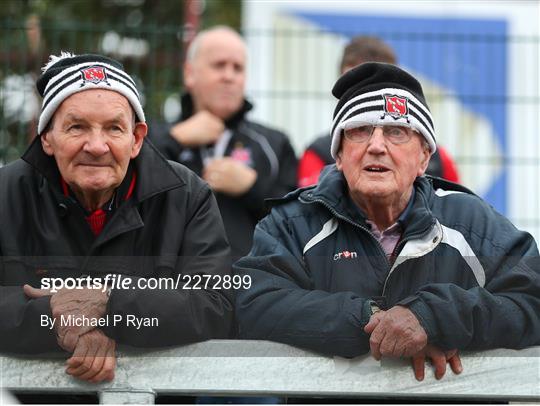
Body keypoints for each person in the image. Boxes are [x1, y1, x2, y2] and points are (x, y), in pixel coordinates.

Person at [234, 62, 540, 381]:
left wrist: (433, 317)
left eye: (397, 132)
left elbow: (531, 296)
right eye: (359, 131)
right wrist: (373, 320)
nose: (377, 146)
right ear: (338, 154)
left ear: (424, 157)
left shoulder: (471, 222)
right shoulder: (293, 223)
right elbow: (254, 301)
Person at [0, 53, 233, 383]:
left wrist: (109, 303)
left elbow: (214, 303)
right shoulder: (5, 193)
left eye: (114, 128)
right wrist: (52, 317)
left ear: (136, 139)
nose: (97, 146)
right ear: (47, 138)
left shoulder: (186, 196)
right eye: (77, 127)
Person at [151, 26, 298, 258]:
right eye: (219, 65)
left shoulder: (275, 143)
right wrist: (175, 139)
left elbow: (296, 222)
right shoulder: (153, 138)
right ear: (190, 73)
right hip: (170, 283)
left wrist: (253, 188)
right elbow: (133, 194)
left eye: (237, 68)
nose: (229, 76)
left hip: (248, 284)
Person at [298, 35, 460, 188]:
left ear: (423, 158)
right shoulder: (318, 153)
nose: (376, 147)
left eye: (378, 86)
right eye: (352, 86)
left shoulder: (437, 158)